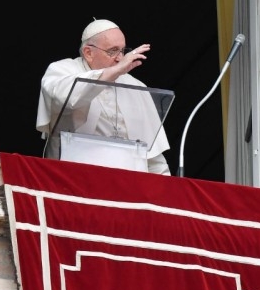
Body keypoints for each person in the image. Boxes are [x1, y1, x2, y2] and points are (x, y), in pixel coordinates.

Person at [36, 18, 171, 175]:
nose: (120, 58)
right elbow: (68, 98)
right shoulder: (62, 70)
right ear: (88, 53)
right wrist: (114, 72)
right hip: (73, 175)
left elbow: (153, 156)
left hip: (127, 180)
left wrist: (165, 183)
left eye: (123, 51)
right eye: (113, 51)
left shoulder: (137, 86)